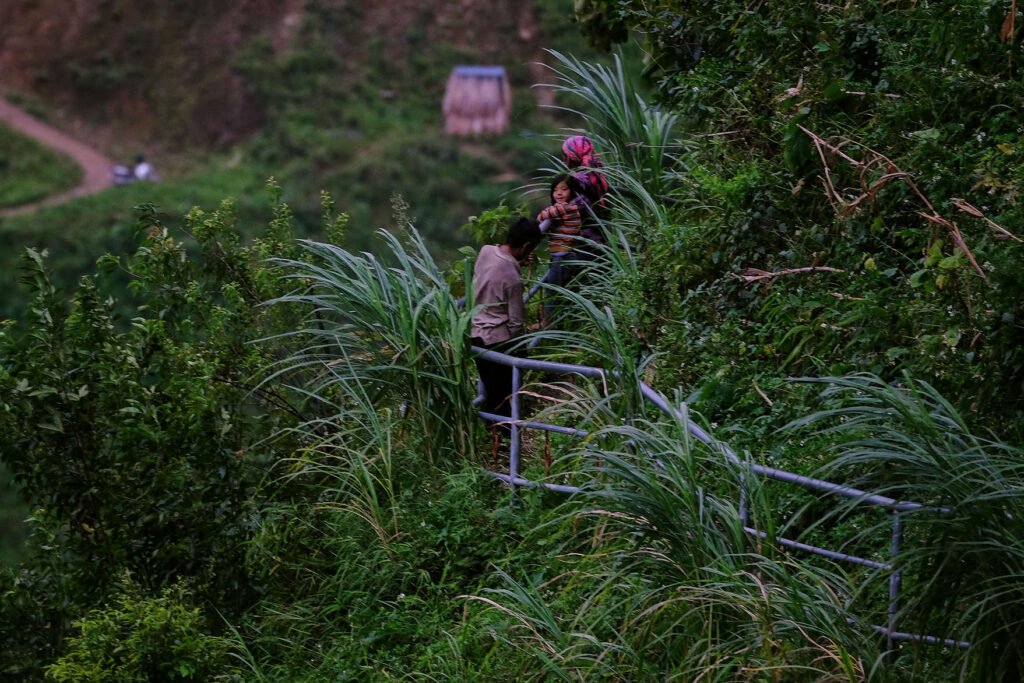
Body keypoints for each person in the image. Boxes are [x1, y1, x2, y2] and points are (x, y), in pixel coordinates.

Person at [470, 216, 542, 430]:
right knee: (503, 397)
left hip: (475, 333)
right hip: (497, 340)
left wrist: (517, 262)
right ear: (527, 245)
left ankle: (492, 441)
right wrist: (521, 349)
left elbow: (495, 269)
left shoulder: (486, 251)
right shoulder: (513, 278)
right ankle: (503, 445)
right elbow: (516, 321)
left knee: (490, 393)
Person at [536, 173, 583, 322]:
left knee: (553, 292)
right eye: (555, 190)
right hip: (561, 256)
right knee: (554, 289)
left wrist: (541, 216)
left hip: (562, 257)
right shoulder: (567, 208)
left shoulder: (567, 207)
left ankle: (548, 324)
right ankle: (554, 323)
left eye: (564, 189)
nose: (559, 193)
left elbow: (544, 215)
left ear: (572, 192)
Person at [561, 135, 610, 247]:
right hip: (602, 239)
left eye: (565, 155)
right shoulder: (599, 174)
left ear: (571, 156)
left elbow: (577, 206)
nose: (564, 160)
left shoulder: (578, 180)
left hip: (585, 242)